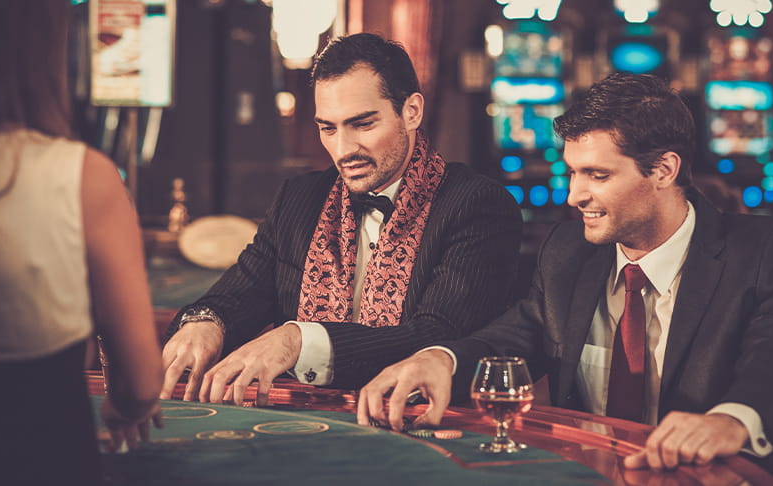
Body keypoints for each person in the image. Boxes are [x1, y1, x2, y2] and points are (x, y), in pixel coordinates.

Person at [358, 72, 773, 483]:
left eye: (597, 175)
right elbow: (514, 337)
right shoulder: (568, 251)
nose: (574, 194)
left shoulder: (768, 250)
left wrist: (732, 420)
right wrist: (442, 360)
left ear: (663, 170)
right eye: (571, 173)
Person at [159, 33, 522, 406]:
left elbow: (436, 336)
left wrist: (300, 340)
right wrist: (206, 323)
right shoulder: (298, 199)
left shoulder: (478, 205)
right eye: (328, 128)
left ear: (411, 111)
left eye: (362, 124)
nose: (343, 149)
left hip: (423, 427)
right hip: (300, 425)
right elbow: (236, 297)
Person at [0, 1, 164, 484]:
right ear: (39, 51)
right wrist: (123, 408)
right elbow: (139, 382)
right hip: (41, 461)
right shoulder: (83, 176)